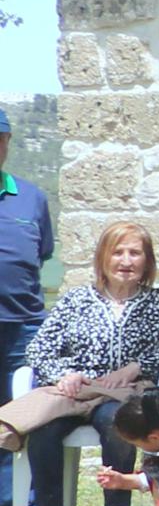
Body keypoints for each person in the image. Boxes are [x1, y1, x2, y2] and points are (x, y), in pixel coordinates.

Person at [20, 224, 159, 506]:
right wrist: (63, 375)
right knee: (44, 428)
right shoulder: (76, 300)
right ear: (103, 259)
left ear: (147, 261)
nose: (126, 261)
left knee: (118, 423)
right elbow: (39, 350)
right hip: (75, 393)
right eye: (118, 252)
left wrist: (137, 366)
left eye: (135, 253)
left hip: (123, 393)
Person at [0, 109, 51, 411]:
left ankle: (11, 462)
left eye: (0, 139)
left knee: (21, 412)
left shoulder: (33, 198)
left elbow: (41, 254)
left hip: (25, 327)